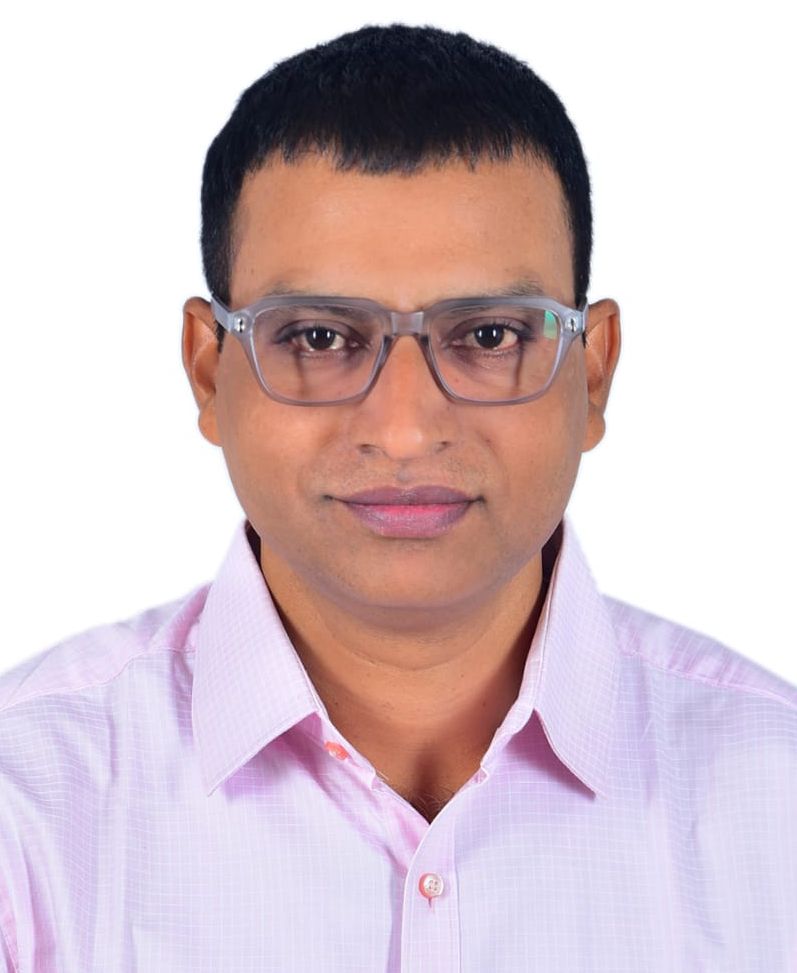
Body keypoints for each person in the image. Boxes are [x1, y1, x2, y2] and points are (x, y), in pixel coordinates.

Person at [1, 21, 795, 972]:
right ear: (209, 372)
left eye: (490, 335)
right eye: (320, 337)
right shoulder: (27, 811)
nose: (407, 430)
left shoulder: (775, 800)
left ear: (592, 374)